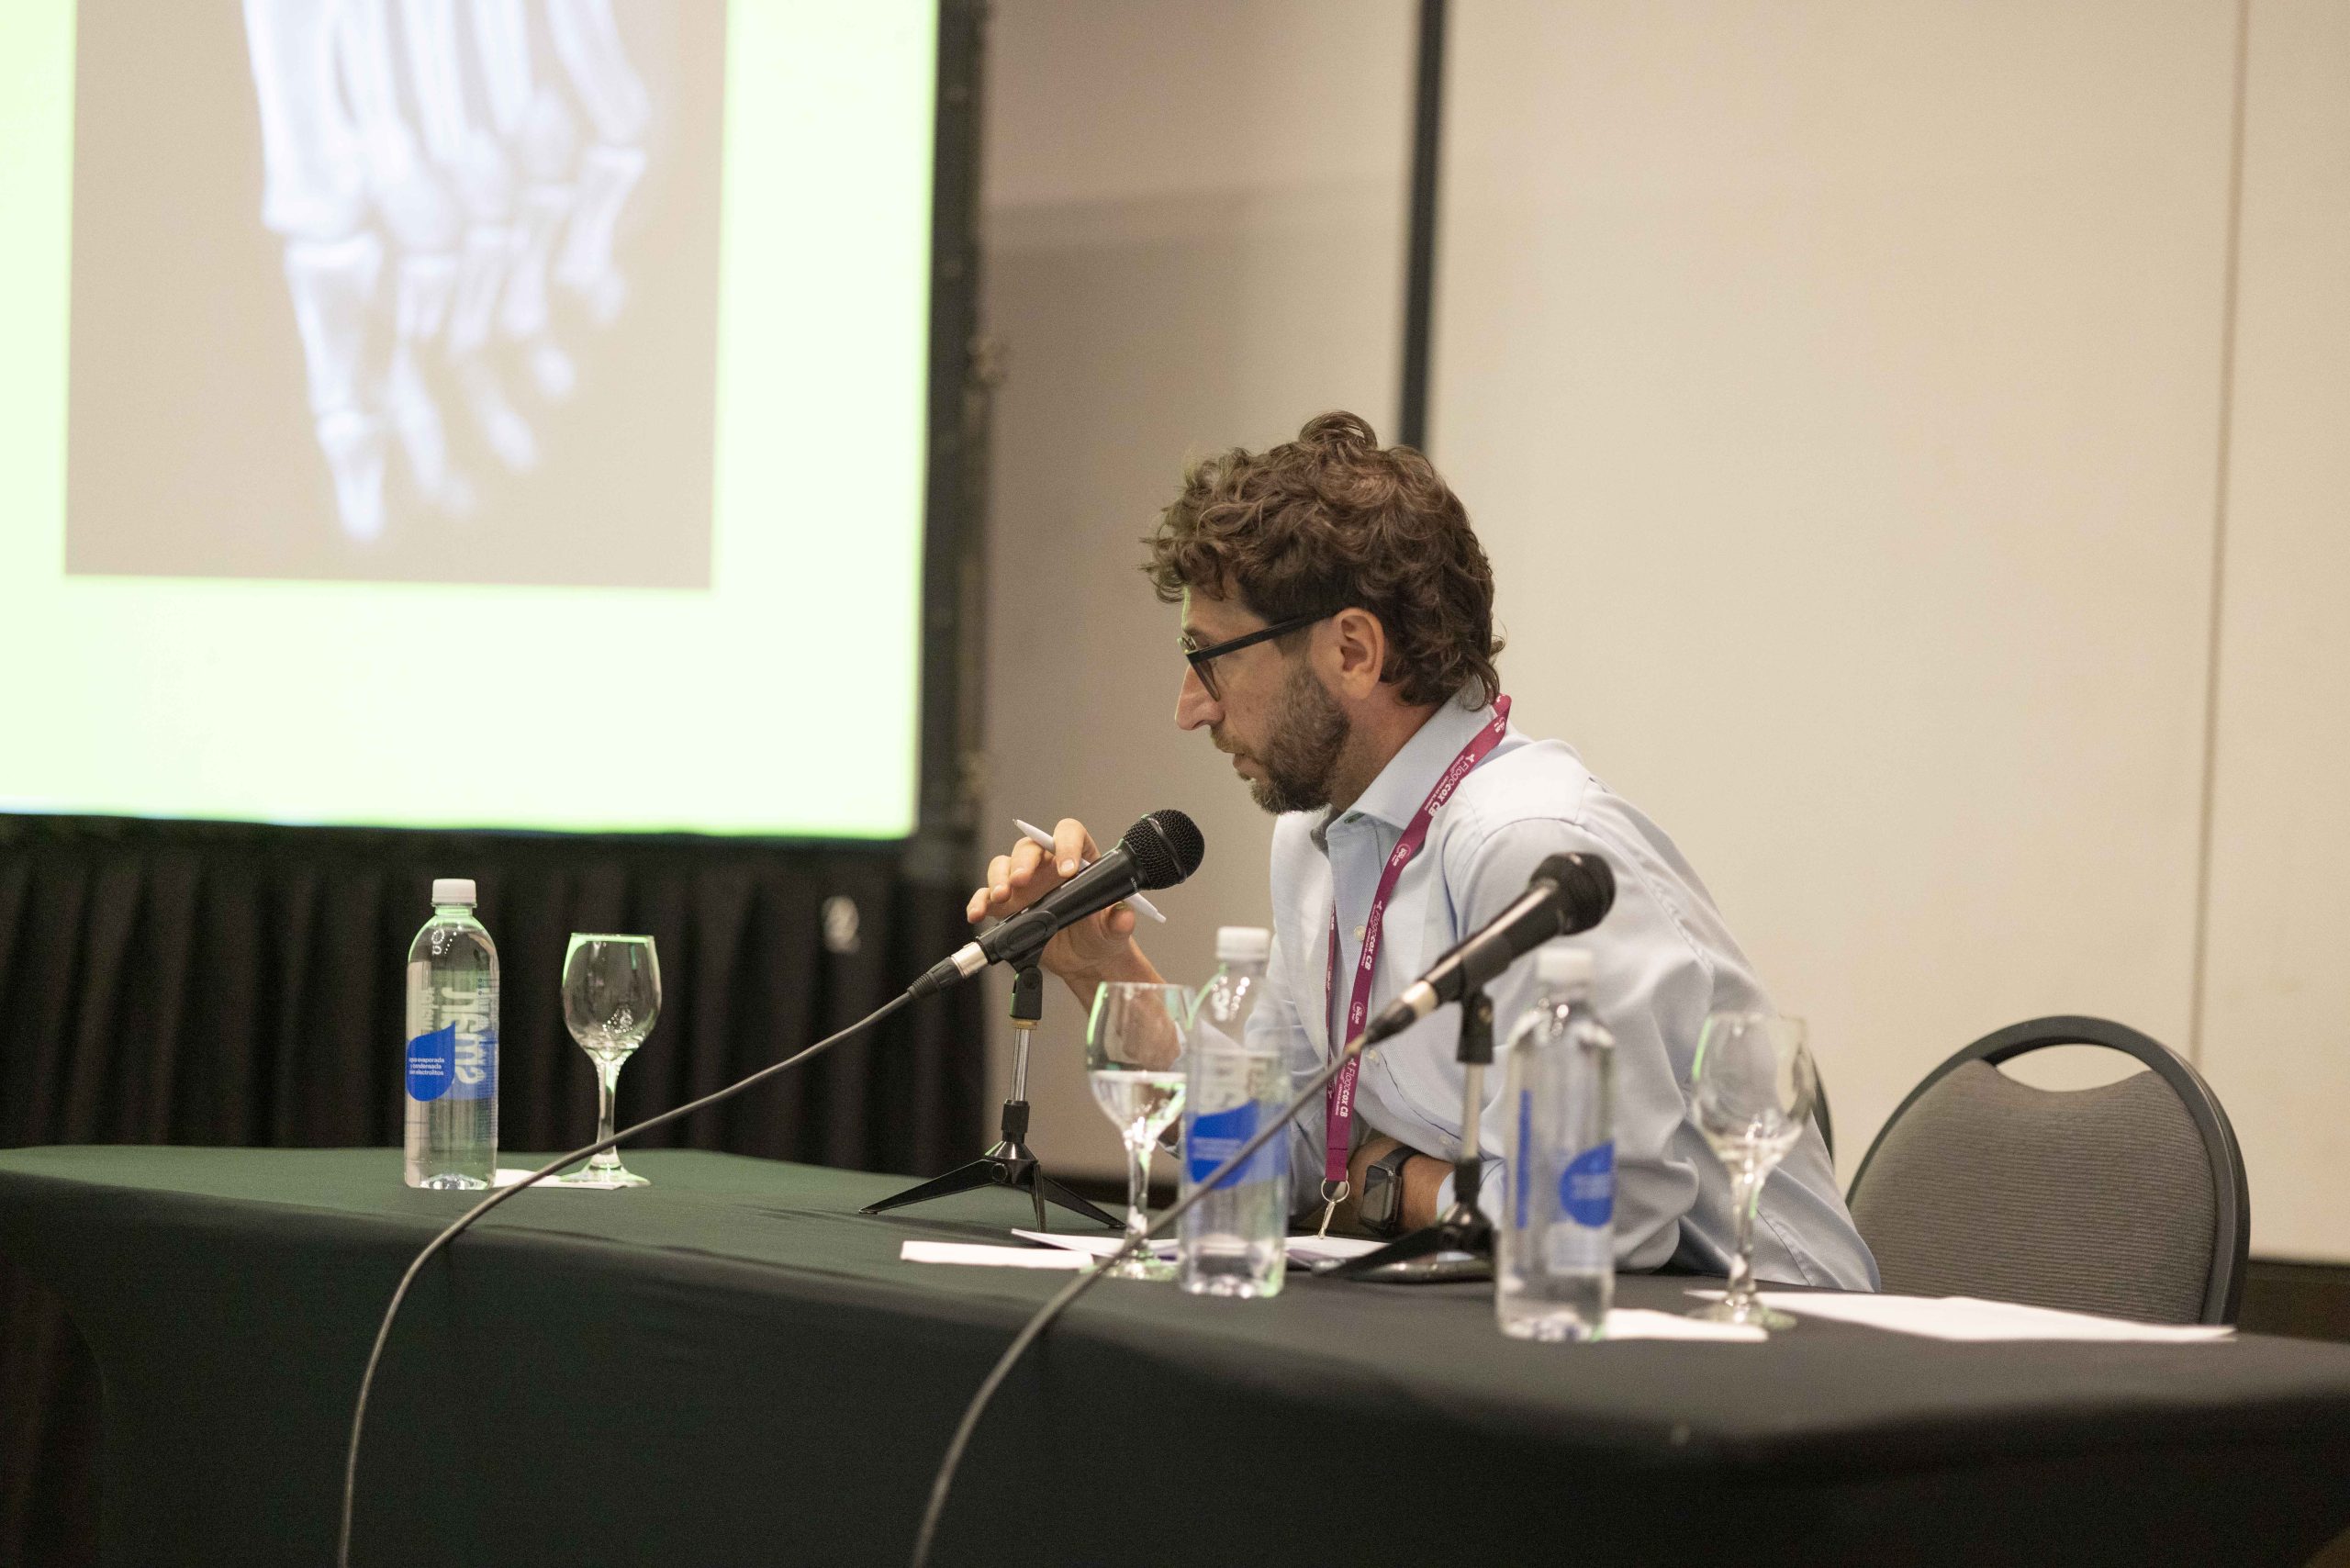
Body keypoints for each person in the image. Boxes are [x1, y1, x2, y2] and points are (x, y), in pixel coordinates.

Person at [967, 412, 1875, 1286]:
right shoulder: (1314, 838)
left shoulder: (1527, 849)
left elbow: (1604, 1220)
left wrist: (1392, 1180)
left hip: (1757, 1330)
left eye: (1212, 657)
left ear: (1352, 651)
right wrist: (1105, 970)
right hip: (1530, 1315)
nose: (1190, 707)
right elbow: (1277, 1155)